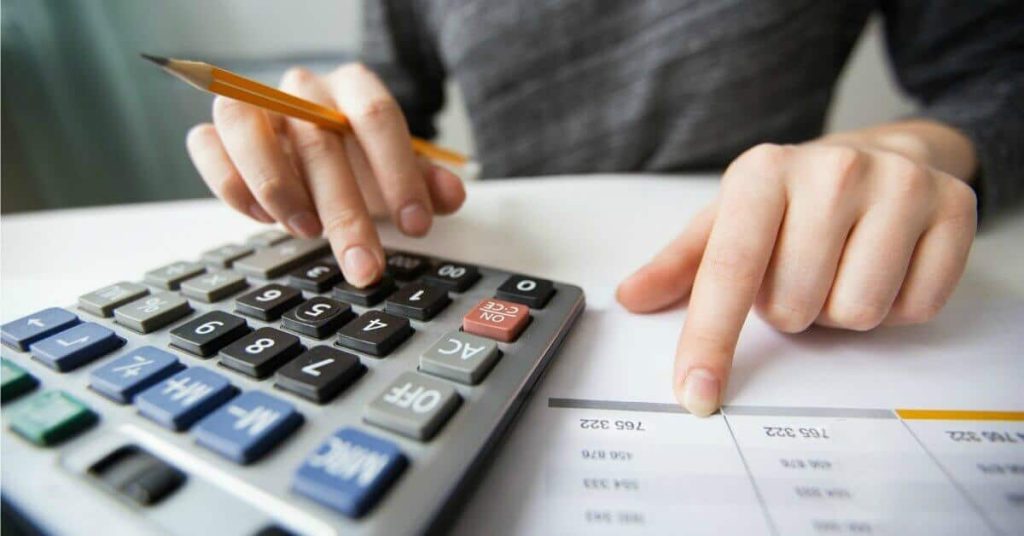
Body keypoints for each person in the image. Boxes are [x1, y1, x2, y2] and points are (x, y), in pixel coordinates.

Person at [185, 2, 1023, 416]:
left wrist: (919, 148)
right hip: (494, 266)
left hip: (777, 268)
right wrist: (326, 139)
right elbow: (390, 98)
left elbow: (997, 72)